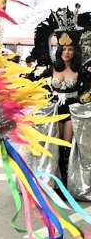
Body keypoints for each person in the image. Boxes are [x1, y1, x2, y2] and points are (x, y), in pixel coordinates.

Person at [48, 35, 85, 183]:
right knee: (55, 146)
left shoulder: (80, 70)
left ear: (75, 52)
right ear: (59, 51)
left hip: (71, 110)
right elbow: (40, 86)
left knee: (66, 146)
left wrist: (83, 99)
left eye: (70, 49)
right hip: (55, 110)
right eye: (64, 49)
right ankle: (54, 181)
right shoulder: (52, 68)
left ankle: (65, 182)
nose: (67, 52)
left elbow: (88, 90)